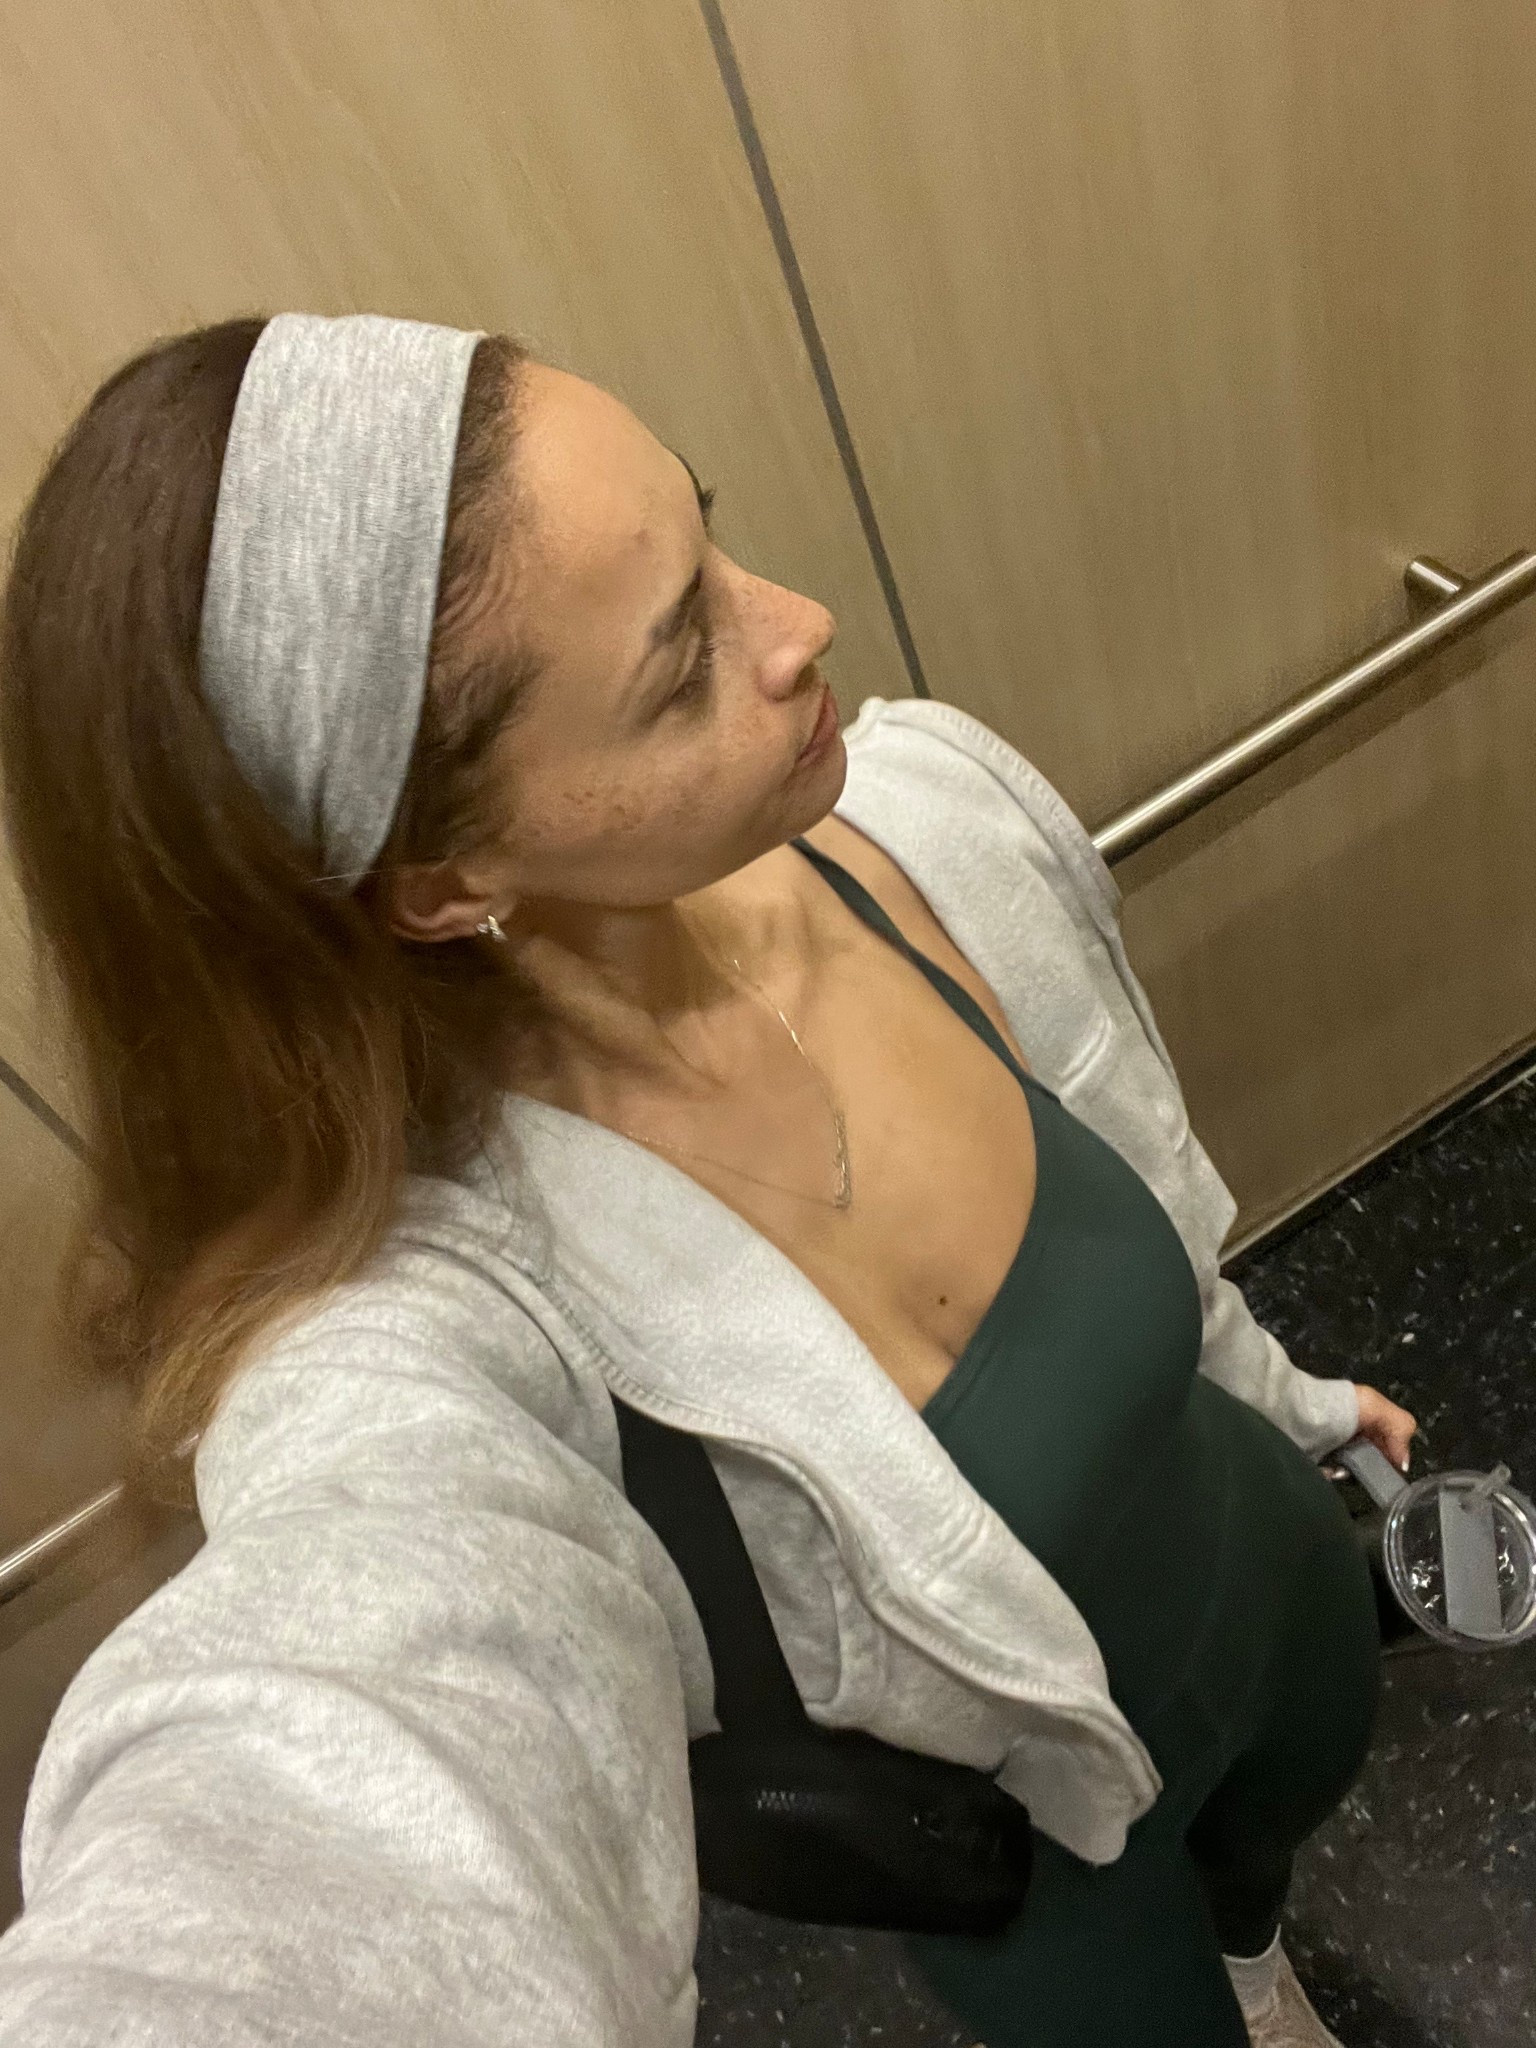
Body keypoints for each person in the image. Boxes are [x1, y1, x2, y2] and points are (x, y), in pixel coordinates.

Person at [0, 312, 1417, 2048]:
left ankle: (1258, 1953)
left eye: (712, 531)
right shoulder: (428, 1332)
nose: (800, 624)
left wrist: (1291, 1400)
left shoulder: (932, 826)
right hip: (1060, 1861)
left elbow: (1163, 1203)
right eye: (681, 664)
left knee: (1268, 1850)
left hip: (1271, 1574)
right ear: (441, 880)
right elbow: (341, 1758)